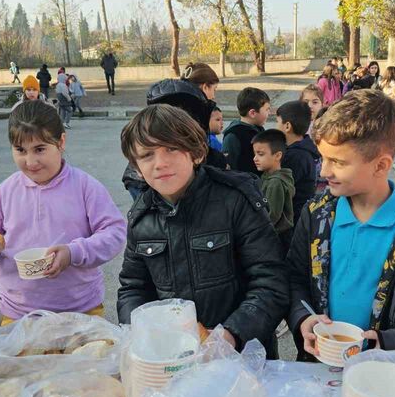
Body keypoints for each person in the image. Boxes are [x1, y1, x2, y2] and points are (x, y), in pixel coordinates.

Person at [287, 90, 395, 361]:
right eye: (323, 158)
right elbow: (296, 279)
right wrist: (302, 317)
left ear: (381, 165)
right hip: (320, 364)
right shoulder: (317, 215)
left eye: (338, 162)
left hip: (389, 371)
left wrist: (391, 341)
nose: (324, 172)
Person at [117, 104, 289, 359]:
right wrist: (143, 333)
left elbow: (271, 282)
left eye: (171, 149)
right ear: (136, 166)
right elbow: (133, 289)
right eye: (147, 155)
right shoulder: (141, 218)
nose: (160, 163)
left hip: (242, 356)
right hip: (172, 359)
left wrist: (231, 334)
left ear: (196, 153)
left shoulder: (236, 201)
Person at [0, 100, 126, 322]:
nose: (30, 162)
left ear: (61, 142)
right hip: (17, 312)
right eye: (20, 150)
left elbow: (114, 233)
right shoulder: (5, 192)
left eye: (40, 149)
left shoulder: (85, 187)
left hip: (80, 309)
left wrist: (73, 252)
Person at [252, 129, 295, 254]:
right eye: (255, 154)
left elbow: (272, 215)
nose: (255, 158)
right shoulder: (268, 177)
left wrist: (255, 232)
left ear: (277, 156)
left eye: (260, 154)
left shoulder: (275, 182)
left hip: (277, 237)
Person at [276, 100, 318, 222]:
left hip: (294, 219)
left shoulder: (295, 156)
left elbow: (281, 189)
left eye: (277, 122)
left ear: (287, 126)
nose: (276, 126)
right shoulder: (303, 149)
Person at [222, 87, 270, 174]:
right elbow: (228, 168)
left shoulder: (258, 129)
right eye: (267, 109)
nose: (269, 113)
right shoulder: (233, 136)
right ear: (252, 113)